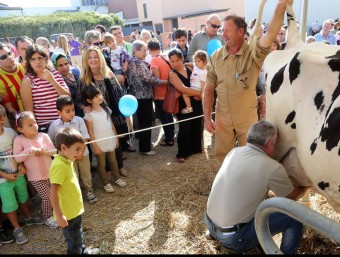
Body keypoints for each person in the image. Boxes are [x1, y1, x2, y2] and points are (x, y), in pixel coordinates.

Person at [204, 1, 291, 164]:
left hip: (247, 118)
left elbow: (271, 33)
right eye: (222, 31)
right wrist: (207, 118)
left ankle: (250, 187)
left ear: (240, 31)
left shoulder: (253, 54)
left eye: (227, 31)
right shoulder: (216, 56)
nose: (223, 35)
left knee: (251, 158)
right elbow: (208, 88)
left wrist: (281, 6)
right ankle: (227, 185)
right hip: (222, 118)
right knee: (224, 158)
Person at [204, 121, 309, 254]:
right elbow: (290, 199)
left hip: (209, 222)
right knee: (295, 216)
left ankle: (215, 234)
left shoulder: (234, 152)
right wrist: (307, 185)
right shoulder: (272, 167)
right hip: (235, 238)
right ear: (271, 143)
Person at [76, 46, 131, 177]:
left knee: (116, 142)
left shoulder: (109, 73)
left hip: (114, 114)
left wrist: (126, 113)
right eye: (90, 57)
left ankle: (119, 166)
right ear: (85, 60)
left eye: (96, 57)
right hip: (96, 117)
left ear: (100, 58)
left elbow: (120, 95)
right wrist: (84, 107)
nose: (93, 60)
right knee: (102, 142)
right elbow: (78, 100)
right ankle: (107, 168)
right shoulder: (83, 79)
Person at [50, 127, 100, 255]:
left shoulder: (67, 160)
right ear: (63, 148)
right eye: (77, 149)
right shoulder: (59, 165)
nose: (80, 152)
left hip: (73, 210)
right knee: (74, 243)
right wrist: (60, 215)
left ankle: (83, 250)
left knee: (78, 235)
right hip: (68, 214)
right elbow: (53, 192)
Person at [0, 106, 45, 245]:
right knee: (9, 205)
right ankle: (17, 228)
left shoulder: (10, 133)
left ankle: (28, 218)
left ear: (2, 119)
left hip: (18, 174)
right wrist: (4, 175)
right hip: (2, 180)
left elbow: (18, 151)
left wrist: (21, 165)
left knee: (23, 197)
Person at [48, 95, 98, 204]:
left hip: (83, 154)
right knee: (73, 175)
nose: (71, 113)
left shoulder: (79, 120)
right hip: (67, 158)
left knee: (86, 174)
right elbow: (52, 140)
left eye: (73, 110)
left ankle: (89, 191)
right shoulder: (54, 125)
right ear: (59, 113)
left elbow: (85, 137)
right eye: (67, 111)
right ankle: (77, 193)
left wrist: (80, 152)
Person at [12, 111, 58, 229]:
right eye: (30, 125)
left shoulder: (44, 136)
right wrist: (29, 150)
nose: (35, 126)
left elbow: (54, 151)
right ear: (21, 129)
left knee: (55, 193)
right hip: (35, 177)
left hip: (51, 172)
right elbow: (17, 158)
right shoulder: (19, 140)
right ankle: (48, 217)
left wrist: (43, 149)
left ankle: (58, 212)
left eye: (35, 122)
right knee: (47, 196)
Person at [81, 85, 127, 192]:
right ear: (89, 100)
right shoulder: (89, 115)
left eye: (100, 94)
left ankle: (117, 178)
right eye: (96, 96)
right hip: (99, 143)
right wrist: (95, 146)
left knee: (113, 160)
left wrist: (116, 138)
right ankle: (106, 183)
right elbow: (90, 132)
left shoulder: (106, 109)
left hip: (110, 139)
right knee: (102, 164)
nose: (100, 97)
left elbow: (111, 124)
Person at [125, 40, 167, 155]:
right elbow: (149, 79)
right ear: (135, 51)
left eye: (146, 51)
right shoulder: (138, 63)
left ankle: (146, 144)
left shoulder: (131, 62)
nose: (146, 53)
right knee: (145, 122)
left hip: (138, 96)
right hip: (143, 97)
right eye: (143, 51)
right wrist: (165, 82)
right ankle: (145, 148)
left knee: (145, 121)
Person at [20, 44, 70, 133]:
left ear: (46, 59)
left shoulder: (55, 74)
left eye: (40, 58)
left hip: (63, 123)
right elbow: (29, 110)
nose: (37, 62)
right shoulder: (27, 80)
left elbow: (67, 97)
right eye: (33, 59)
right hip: (44, 127)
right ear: (29, 62)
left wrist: (52, 81)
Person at [167, 48, 202, 162]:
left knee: (197, 124)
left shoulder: (190, 67)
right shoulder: (172, 74)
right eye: (172, 61)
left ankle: (195, 148)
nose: (175, 63)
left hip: (196, 101)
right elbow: (183, 89)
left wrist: (200, 95)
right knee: (184, 127)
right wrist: (201, 93)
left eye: (177, 60)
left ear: (182, 59)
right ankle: (182, 152)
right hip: (183, 104)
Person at [148, 38, 175, 146]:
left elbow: (157, 80)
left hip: (160, 94)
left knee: (164, 117)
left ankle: (169, 139)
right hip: (170, 92)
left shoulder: (154, 60)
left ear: (150, 50)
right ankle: (171, 134)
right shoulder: (166, 57)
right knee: (169, 116)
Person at [0, 43, 26, 127]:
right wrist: (20, 119)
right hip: (18, 119)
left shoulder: (25, 67)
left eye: (9, 53)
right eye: (3, 57)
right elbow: (8, 105)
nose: (9, 57)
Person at [51, 52, 82, 117]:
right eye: (60, 65)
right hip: (73, 115)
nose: (65, 67)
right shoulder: (58, 81)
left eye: (66, 63)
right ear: (55, 67)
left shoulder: (76, 72)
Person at [181, 50, 208, 114]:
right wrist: (185, 64)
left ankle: (189, 108)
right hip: (193, 86)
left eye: (199, 61)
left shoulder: (203, 72)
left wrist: (202, 93)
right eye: (195, 61)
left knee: (185, 94)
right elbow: (192, 64)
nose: (196, 63)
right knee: (194, 98)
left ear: (204, 62)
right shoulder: (196, 66)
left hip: (197, 88)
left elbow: (203, 84)